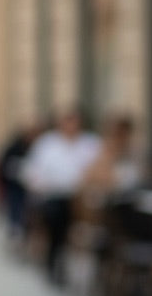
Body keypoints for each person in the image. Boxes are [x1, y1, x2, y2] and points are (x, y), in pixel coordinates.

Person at [20, 107, 100, 284]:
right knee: (57, 215)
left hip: (81, 199)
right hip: (53, 197)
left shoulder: (90, 144)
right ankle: (55, 256)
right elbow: (33, 173)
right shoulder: (47, 144)